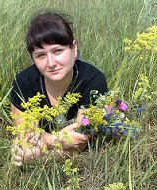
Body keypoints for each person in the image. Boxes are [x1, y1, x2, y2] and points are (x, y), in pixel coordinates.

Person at [10, 11, 108, 166]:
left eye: (57, 51)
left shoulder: (93, 81)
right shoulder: (24, 82)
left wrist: (39, 156)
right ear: (32, 58)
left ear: (74, 48)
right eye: (41, 55)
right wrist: (59, 141)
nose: (51, 63)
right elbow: (25, 138)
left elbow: (80, 143)